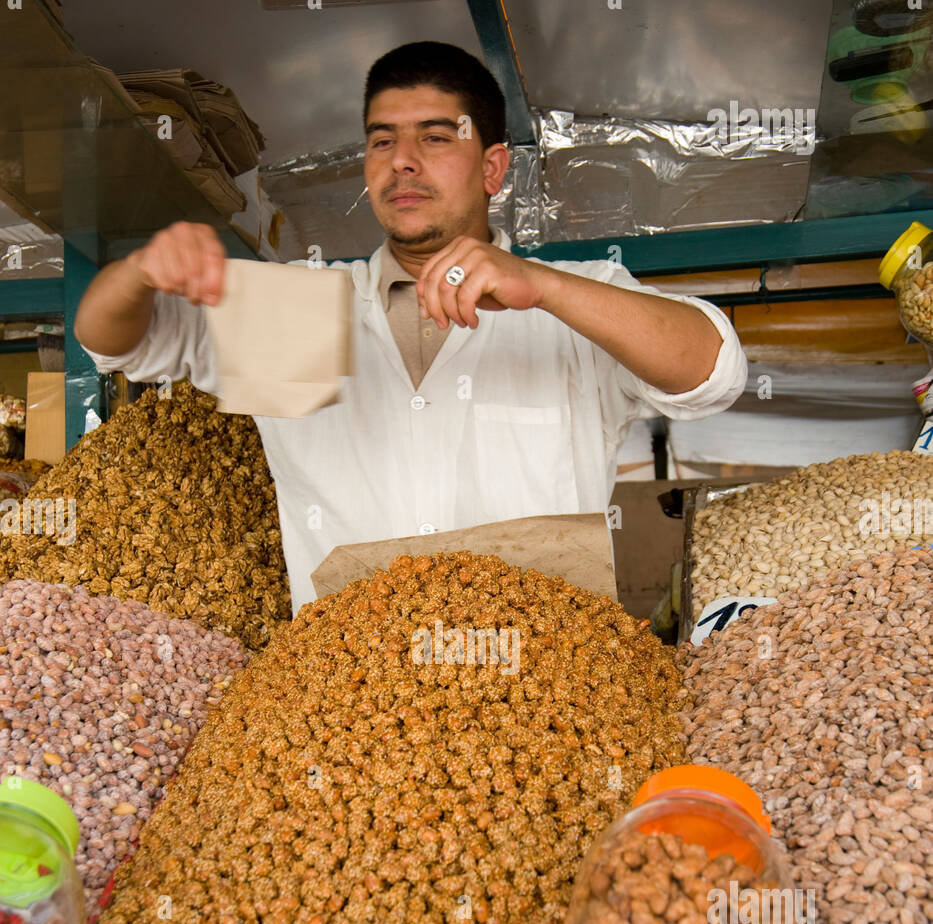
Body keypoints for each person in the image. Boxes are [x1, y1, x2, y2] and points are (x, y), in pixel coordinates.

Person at [75, 41, 747, 615]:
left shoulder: (577, 300)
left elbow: (713, 374)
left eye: (434, 136)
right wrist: (136, 272)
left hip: (542, 700)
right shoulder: (296, 308)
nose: (401, 160)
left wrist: (542, 286)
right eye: (381, 140)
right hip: (351, 703)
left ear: (492, 167)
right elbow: (115, 342)